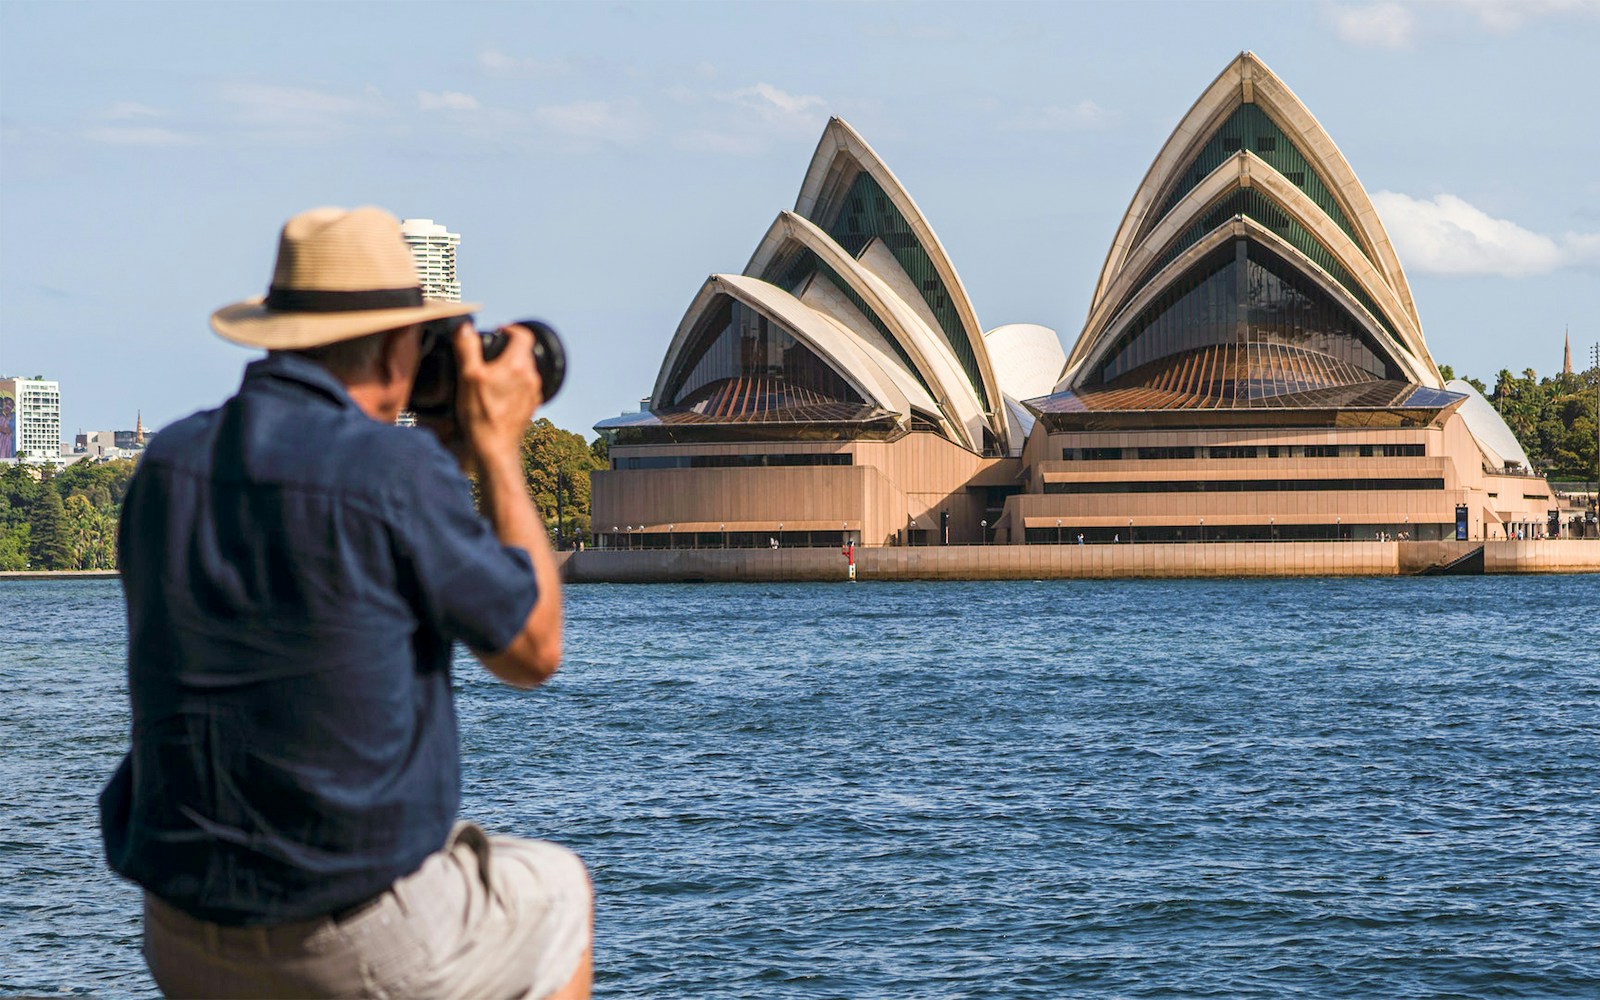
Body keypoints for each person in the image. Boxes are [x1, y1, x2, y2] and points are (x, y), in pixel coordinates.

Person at [99, 207, 591, 998]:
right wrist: (496, 449)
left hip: (181, 926)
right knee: (559, 888)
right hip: (347, 937)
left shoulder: (169, 463)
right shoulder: (393, 473)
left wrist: (432, 450)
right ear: (402, 343)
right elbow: (533, 649)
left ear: (278, 333)